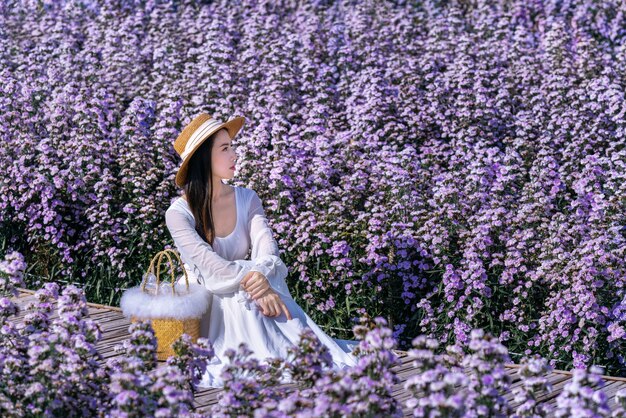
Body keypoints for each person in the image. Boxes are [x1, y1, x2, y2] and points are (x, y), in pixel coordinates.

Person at [164, 113, 358, 388]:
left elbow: (267, 247)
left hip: (250, 285)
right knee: (247, 303)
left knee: (265, 301)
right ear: (203, 159)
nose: (234, 154)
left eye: (232, 146)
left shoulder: (247, 198)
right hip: (209, 299)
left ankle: (297, 354)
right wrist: (257, 283)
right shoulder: (179, 213)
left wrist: (262, 278)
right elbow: (210, 267)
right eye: (225, 148)